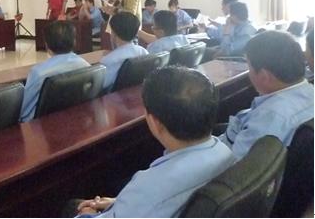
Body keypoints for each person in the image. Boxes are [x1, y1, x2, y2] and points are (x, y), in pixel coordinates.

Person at [74, 67, 235, 217]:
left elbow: (151, 198)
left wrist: (87, 214)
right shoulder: (225, 151)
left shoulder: (148, 186)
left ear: (155, 122)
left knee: (73, 205)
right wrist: (119, 203)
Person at [219, 31, 314, 159]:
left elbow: (234, 165)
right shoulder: (309, 91)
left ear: (264, 77)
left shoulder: (268, 120)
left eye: (249, 67)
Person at [20, 21, 90, 122]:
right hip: (75, 118)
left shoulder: (38, 72)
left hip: (42, 125)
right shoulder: (85, 65)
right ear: (74, 41)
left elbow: (24, 109)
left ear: (47, 45)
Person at [99, 12, 148, 92]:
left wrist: (111, 55)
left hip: (114, 97)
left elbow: (102, 85)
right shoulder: (144, 52)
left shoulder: (108, 60)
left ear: (114, 34)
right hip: (137, 93)